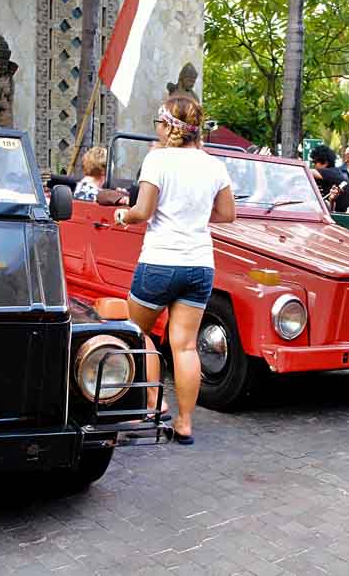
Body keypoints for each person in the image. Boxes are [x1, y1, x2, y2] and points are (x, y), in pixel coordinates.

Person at [113, 96, 236, 445]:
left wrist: (123, 214)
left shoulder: (158, 159)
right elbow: (228, 214)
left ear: (168, 126)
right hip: (199, 265)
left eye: (158, 122)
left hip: (160, 262)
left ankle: (154, 403)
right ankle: (184, 424)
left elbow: (142, 210)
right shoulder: (214, 165)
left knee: (139, 335)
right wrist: (194, 216)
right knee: (185, 347)